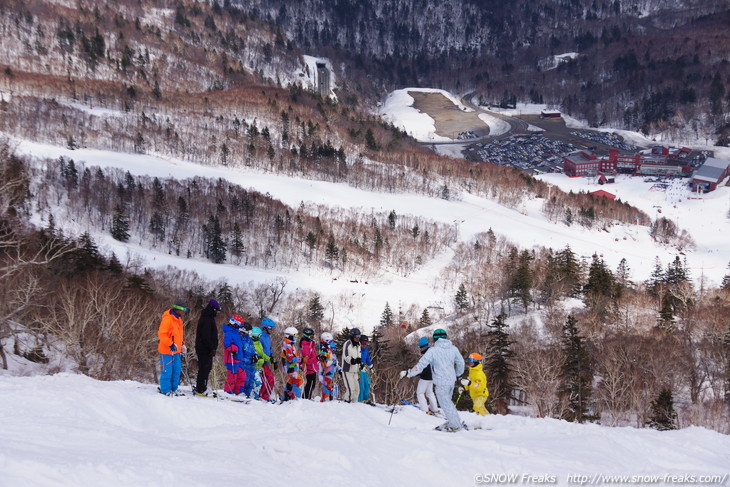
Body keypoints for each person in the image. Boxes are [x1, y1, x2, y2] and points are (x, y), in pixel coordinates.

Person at [401, 328, 465, 432]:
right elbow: (461, 363)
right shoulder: (453, 349)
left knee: (446, 404)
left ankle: (455, 425)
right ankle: (454, 421)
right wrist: (457, 374)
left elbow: (421, 365)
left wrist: (409, 373)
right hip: (451, 382)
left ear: (435, 339)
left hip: (441, 382)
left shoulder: (433, 351)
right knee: (448, 403)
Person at [158, 300, 188, 396]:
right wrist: (170, 344)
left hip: (176, 351)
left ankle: (174, 388)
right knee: (167, 371)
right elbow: (162, 334)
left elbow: (178, 335)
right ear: (178, 309)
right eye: (182, 310)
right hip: (166, 351)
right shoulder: (167, 319)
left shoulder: (179, 319)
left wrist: (182, 344)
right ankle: (166, 390)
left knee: (176, 370)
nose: (183, 312)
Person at [194, 299, 221, 395]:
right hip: (204, 348)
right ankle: (200, 388)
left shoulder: (210, 318)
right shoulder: (206, 319)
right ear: (213, 309)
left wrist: (213, 347)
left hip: (208, 349)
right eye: (216, 311)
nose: (217, 313)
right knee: (204, 367)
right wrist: (211, 348)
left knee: (207, 367)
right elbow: (206, 336)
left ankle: (203, 386)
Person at [415, 336, 439, 415]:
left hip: (425, 377)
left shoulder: (425, 355)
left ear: (423, 347)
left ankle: (424, 410)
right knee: (430, 393)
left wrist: (415, 373)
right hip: (432, 377)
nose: (420, 349)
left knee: (420, 393)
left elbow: (423, 368)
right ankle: (434, 409)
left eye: (420, 347)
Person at [223, 315, 246, 395]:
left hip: (239, 358)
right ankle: (228, 392)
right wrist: (234, 348)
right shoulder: (229, 332)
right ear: (235, 323)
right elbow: (226, 345)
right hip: (231, 358)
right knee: (232, 376)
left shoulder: (236, 332)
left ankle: (238, 392)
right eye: (239, 324)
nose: (240, 326)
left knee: (242, 376)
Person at [281, 327, 303, 401]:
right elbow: (290, 358)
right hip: (290, 367)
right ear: (290, 336)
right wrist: (301, 360)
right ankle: (295, 398)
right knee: (298, 381)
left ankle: (285, 398)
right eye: (295, 335)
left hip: (292, 367)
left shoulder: (291, 344)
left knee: (291, 382)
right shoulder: (287, 345)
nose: (296, 337)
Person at [341, 328, 362, 403]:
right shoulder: (347, 344)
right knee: (351, 389)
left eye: (359, 337)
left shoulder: (358, 345)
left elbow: (359, 356)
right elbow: (346, 356)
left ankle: (354, 405)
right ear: (352, 336)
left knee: (357, 390)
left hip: (355, 371)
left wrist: (360, 364)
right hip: (347, 370)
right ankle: (347, 402)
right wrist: (352, 360)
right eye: (356, 337)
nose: (358, 338)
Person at [258, 318, 276, 401]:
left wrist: (272, 359)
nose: (272, 330)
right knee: (268, 378)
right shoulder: (260, 336)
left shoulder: (267, 337)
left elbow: (269, 348)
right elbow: (259, 349)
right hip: (261, 362)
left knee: (270, 378)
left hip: (267, 362)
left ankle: (265, 396)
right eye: (270, 328)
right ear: (265, 327)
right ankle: (262, 396)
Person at [250, 326, 270, 400]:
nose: (260, 337)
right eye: (259, 335)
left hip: (259, 367)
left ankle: (255, 397)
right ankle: (252, 397)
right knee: (256, 383)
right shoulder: (251, 344)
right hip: (253, 367)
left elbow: (262, 354)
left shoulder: (258, 343)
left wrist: (270, 359)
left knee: (259, 383)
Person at [299, 327, 319, 399]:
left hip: (313, 367)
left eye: (313, 336)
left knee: (312, 384)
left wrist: (317, 358)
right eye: (311, 336)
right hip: (309, 368)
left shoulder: (310, 345)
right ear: (306, 336)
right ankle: (306, 398)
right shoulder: (306, 346)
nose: (312, 338)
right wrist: (316, 358)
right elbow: (307, 361)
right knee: (310, 384)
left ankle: (307, 397)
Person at [318, 332, 338, 402]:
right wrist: (333, 362)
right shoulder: (323, 350)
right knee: (327, 386)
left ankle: (331, 399)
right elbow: (325, 363)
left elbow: (333, 359)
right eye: (330, 341)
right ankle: (324, 400)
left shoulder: (330, 350)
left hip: (331, 372)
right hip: (327, 372)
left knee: (331, 386)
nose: (332, 343)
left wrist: (338, 367)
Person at [240, 322, 257, 397]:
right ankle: (240, 393)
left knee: (251, 380)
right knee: (244, 380)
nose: (250, 333)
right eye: (249, 331)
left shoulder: (249, 339)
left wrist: (255, 355)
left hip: (251, 364)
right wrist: (246, 360)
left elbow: (253, 349)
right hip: (244, 363)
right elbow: (239, 353)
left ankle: (247, 395)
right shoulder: (240, 339)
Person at [358, 334, 374, 403]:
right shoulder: (358, 349)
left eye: (366, 343)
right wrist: (359, 365)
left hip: (364, 368)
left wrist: (371, 366)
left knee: (367, 385)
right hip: (358, 368)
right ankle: (360, 400)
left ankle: (365, 399)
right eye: (363, 343)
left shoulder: (366, 349)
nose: (364, 345)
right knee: (361, 386)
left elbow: (367, 358)